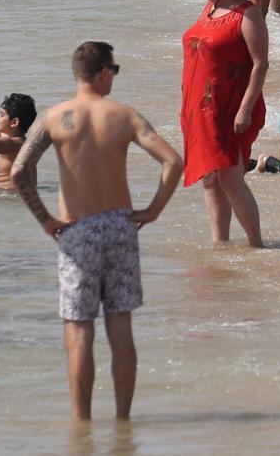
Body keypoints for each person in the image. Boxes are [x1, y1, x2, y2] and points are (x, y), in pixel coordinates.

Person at [11, 40, 183, 419]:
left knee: (79, 329)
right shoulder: (124, 116)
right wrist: (153, 210)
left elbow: (19, 170)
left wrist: (46, 220)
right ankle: (123, 420)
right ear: (104, 73)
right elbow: (173, 162)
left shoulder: (55, 117)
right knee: (120, 325)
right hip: (121, 226)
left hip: (76, 230)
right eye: (114, 71)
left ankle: (81, 423)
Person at [178, 0, 269, 246]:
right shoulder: (209, 8)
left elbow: (260, 63)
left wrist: (245, 109)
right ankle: (221, 244)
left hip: (231, 106)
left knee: (230, 177)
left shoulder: (247, 13)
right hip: (200, 107)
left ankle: (256, 243)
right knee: (209, 178)